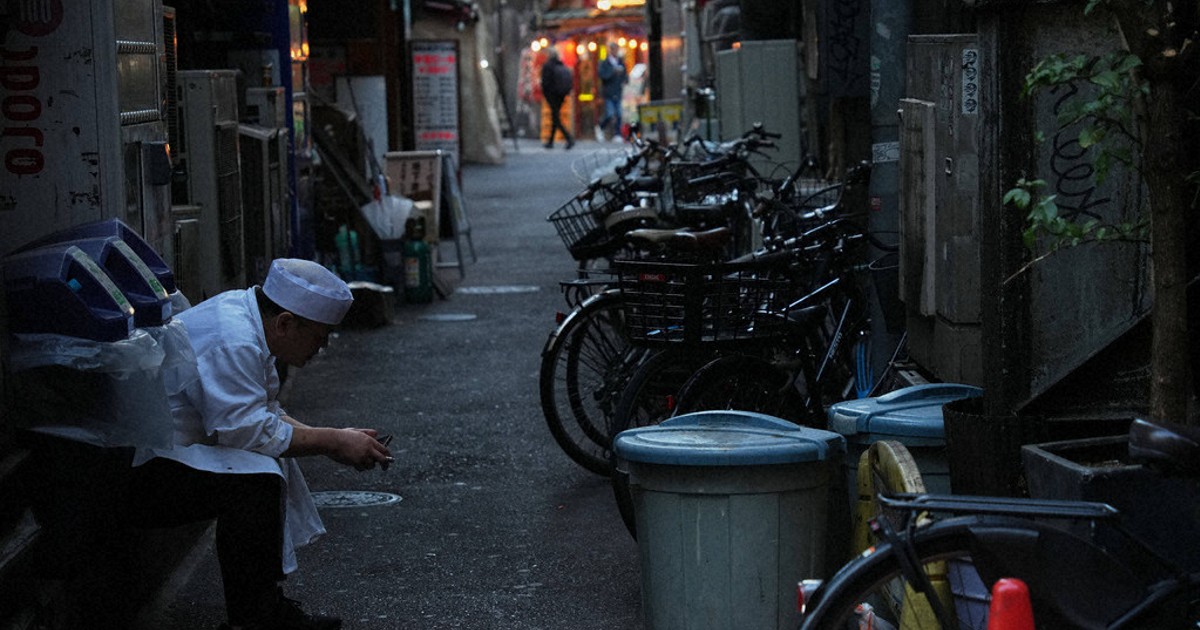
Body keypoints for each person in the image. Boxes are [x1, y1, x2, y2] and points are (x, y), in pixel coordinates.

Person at [128, 258, 392, 630]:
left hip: (170, 449)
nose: (322, 348)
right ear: (286, 322)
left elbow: (263, 412)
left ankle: (263, 607)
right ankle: (255, 618)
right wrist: (333, 441)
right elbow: (249, 431)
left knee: (263, 466)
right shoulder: (234, 338)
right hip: (138, 465)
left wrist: (336, 439)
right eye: (319, 336)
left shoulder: (249, 317)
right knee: (253, 482)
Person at [539, 47, 575, 149]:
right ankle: (551, 141)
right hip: (561, 95)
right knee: (555, 117)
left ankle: (569, 138)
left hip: (552, 95)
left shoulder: (547, 66)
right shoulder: (561, 65)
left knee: (555, 118)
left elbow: (545, 83)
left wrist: (546, 94)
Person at [596, 43, 628, 141]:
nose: (616, 51)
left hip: (618, 91)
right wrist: (612, 72)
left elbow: (625, 75)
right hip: (608, 92)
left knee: (618, 113)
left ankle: (617, 134)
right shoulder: (604, 62)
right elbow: (602, 75)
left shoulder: (620, 62)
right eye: (614, 49)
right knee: (610, 113)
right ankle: (601, 127)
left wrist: (624, 79)